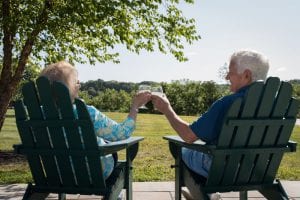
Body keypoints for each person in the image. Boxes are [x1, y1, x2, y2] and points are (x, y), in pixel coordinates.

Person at [151, 50, 269, 199]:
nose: (227, 77)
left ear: (246, 75)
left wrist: (167, 109)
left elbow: (188, 136)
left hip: (224, 170)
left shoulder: (229, 103)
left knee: (181, 149)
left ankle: (201, 193)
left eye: (230, 72)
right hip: (258, 169)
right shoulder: (277, 103)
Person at [40, 61, 151, 179]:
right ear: (68, 89)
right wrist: (135, 107)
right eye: (76, 81)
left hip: (57, 173)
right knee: (112, 159)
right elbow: (122, 133)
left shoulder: (38, 114)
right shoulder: (86, 113)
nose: (80, 84)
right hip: (93, 174)